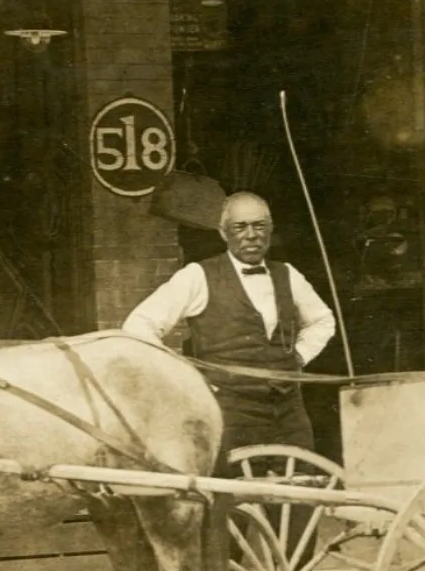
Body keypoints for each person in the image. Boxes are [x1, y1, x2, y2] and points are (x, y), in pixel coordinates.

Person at [123, 191, 336, 459]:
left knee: (302, 487)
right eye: (240, 227)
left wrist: (298, 356)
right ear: (223, 233)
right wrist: (183, 374)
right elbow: (138, 325)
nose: (251, 235)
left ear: (270, 230)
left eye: (259, 226)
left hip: (289, 413)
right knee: (233, 494)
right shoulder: (197, 276)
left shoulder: (288, 274)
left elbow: (323, 320)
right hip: (229, 414)